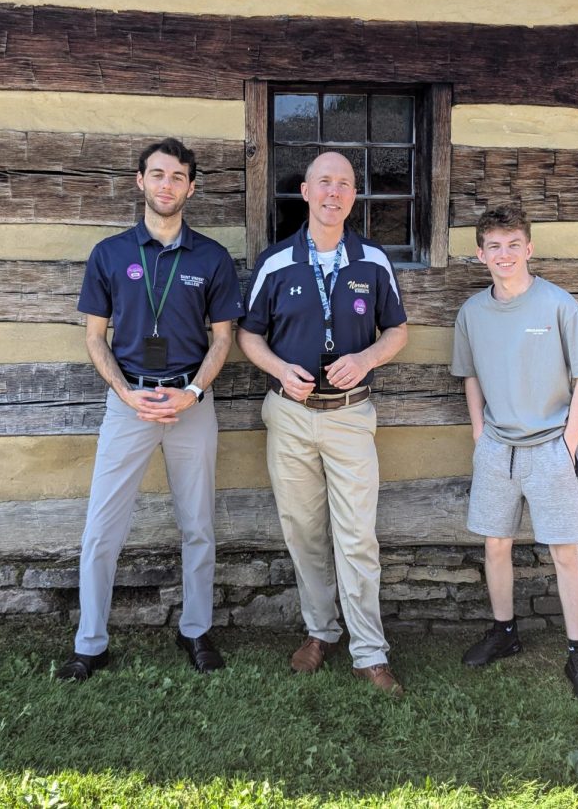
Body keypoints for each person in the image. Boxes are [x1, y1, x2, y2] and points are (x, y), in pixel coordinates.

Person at [57, 138, 243, 681]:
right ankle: (90, 642)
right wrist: (124, 392)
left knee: (198, 525)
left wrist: (193, 393)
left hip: (190, 402)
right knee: (101, 529)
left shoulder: (211, 257)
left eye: (178, 176)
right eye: (157, 174)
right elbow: (95, 338)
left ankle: (197, 631)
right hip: (128, 403)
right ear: (139, 181)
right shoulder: (110, 254)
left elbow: (223, 338)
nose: (167, 184)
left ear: (191, 186)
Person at [237, 152, 408, 694]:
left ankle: (369, 652)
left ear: (353, 196)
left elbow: (397, 332)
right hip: (289, 417)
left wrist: (367, 359)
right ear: (306, 192)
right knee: (305, 533)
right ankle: (320, 632)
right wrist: (279, 368)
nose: (334, 193)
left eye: (345, 185)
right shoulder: (276, 261)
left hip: (350, 416)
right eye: (324, 183)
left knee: (357, 537)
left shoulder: (373, 262)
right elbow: (249, 335)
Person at [450, 205, 578, 701]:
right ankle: (504, 632)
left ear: (529, 248)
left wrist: (568, 444)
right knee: (496, 545)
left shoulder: (558, 305)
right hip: (497, 448)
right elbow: (470, 374)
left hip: (549, 448)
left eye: (513, 244)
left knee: (564, 552)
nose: (504, 254)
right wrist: (478, 431)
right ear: (480, 255)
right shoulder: (472, 312)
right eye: (494, 246)